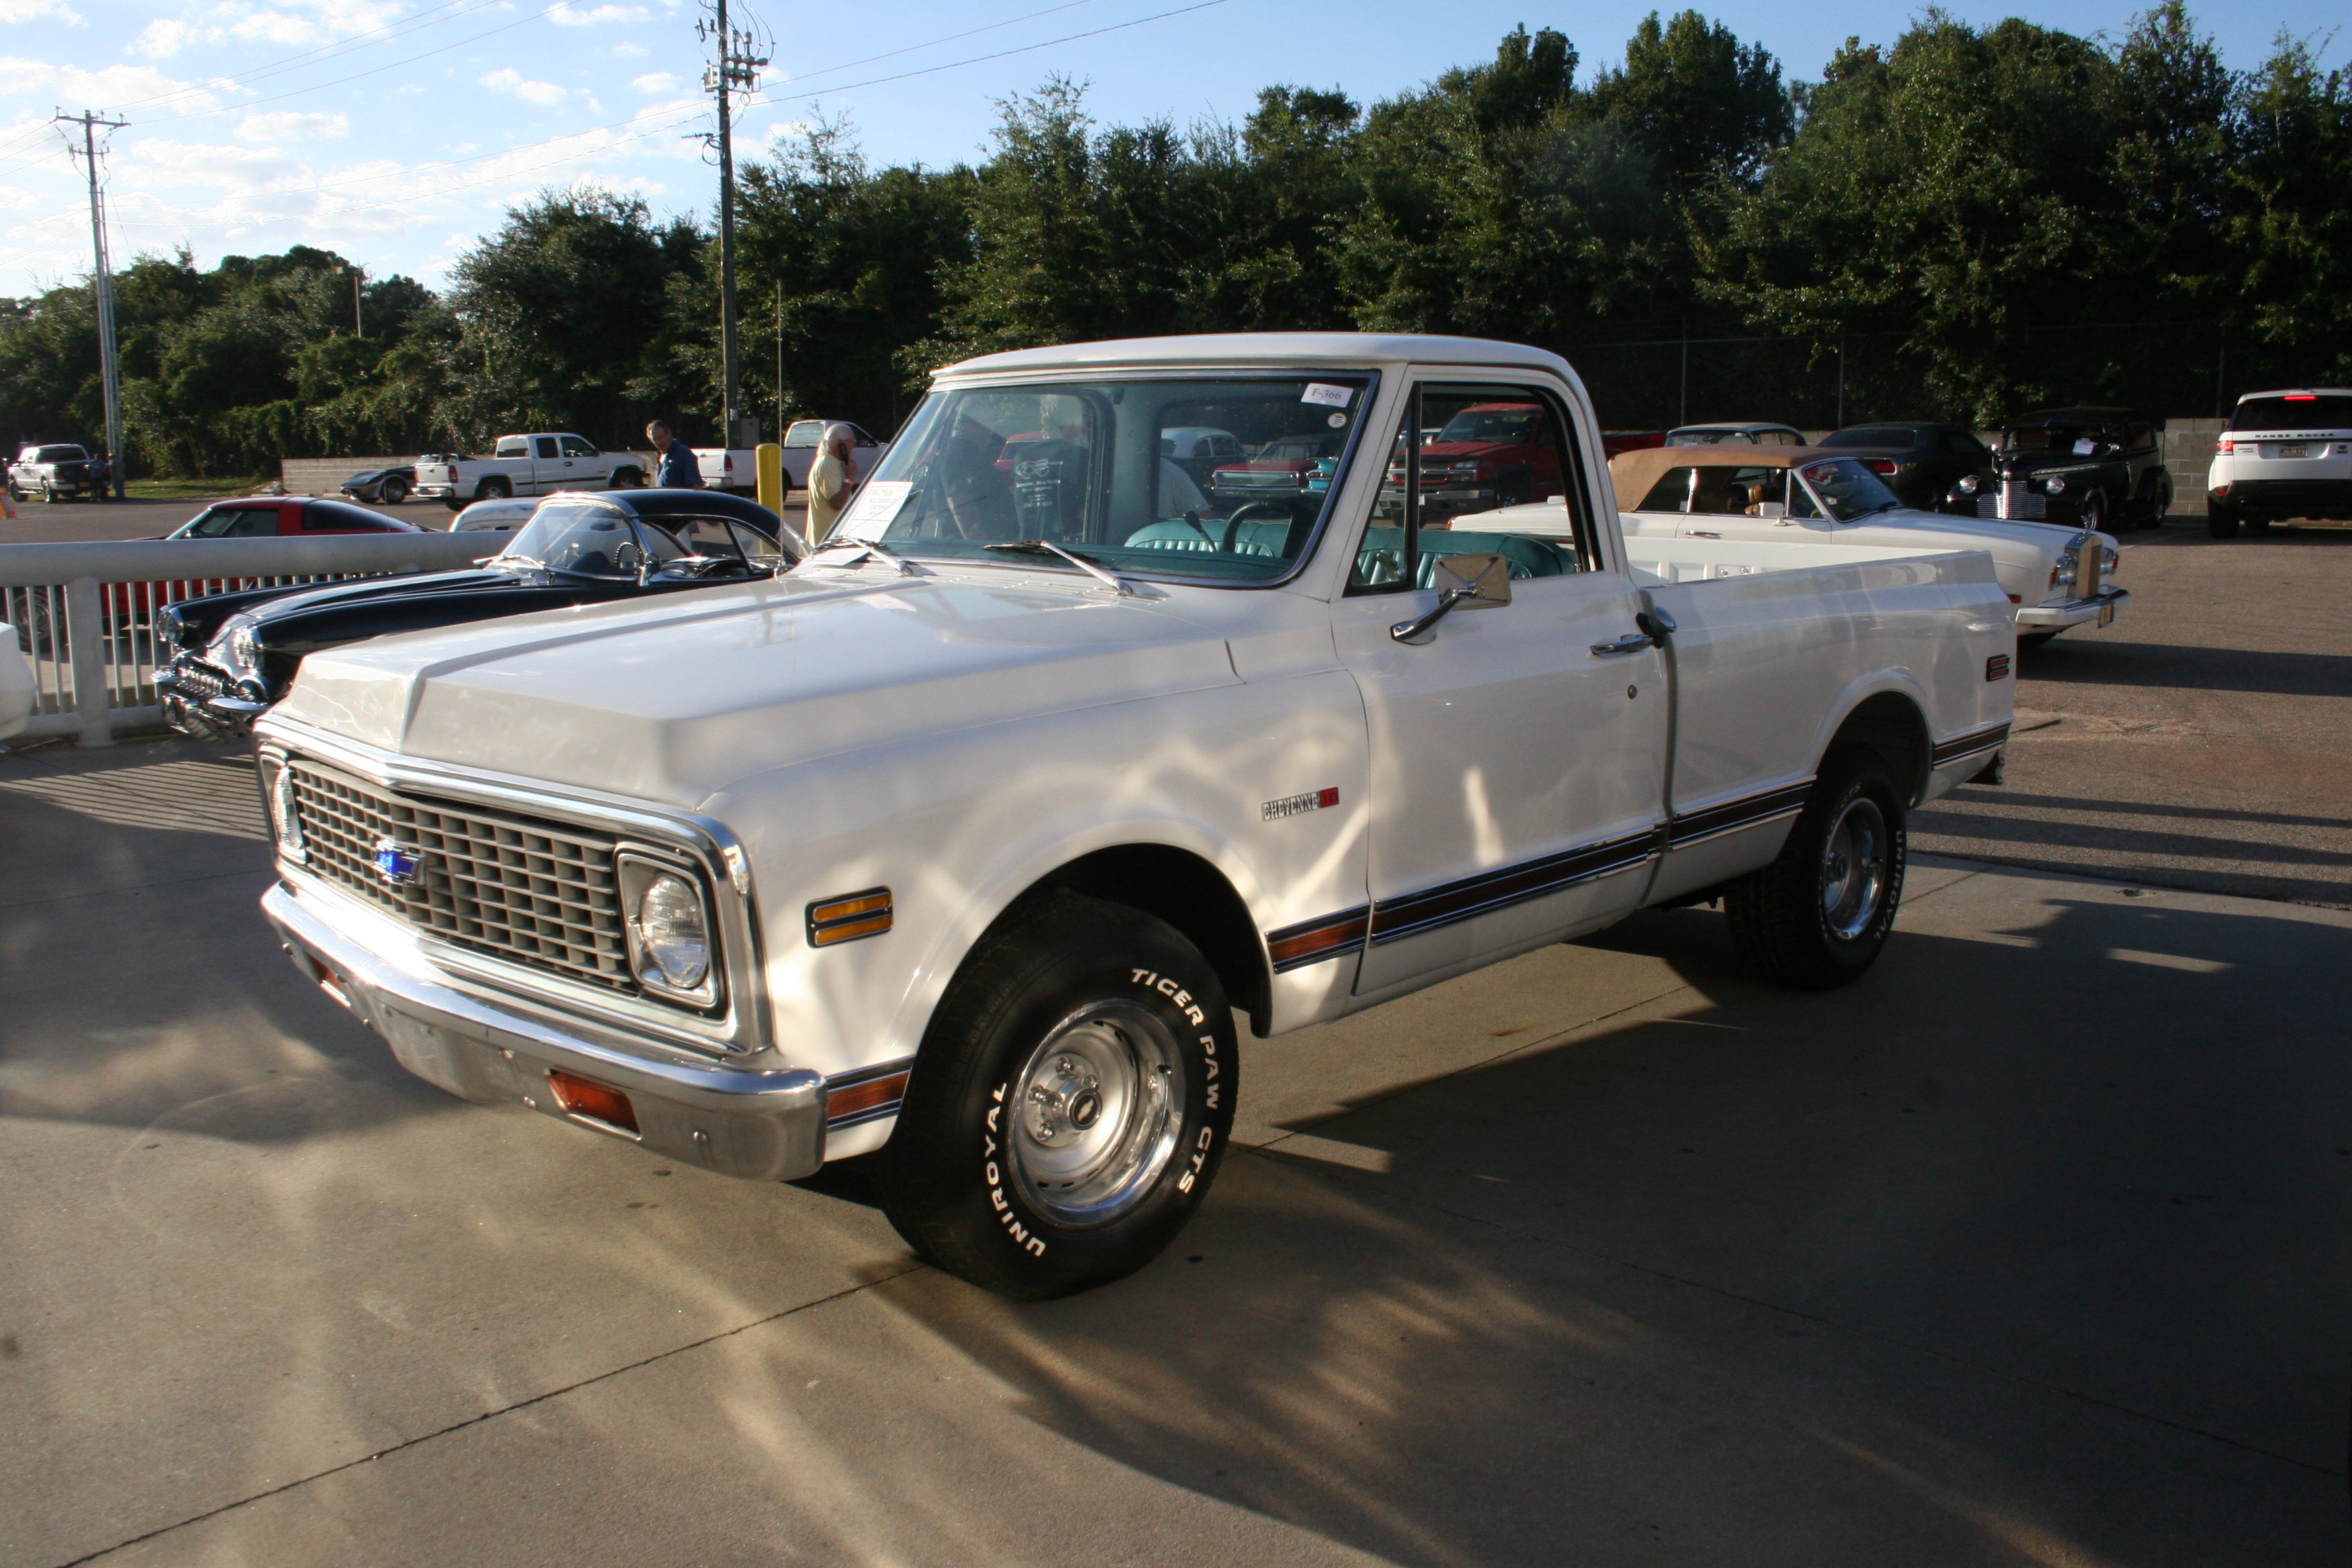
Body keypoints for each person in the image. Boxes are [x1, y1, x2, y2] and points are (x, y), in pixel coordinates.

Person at [804, 423, 859, 544]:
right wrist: (849, 479)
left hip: (834, 538)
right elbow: (837, 502)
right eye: (852, 442)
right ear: (841, 444)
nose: (854, 447)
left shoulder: (835, 464)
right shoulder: (827, 465)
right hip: (827, 540)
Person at [645, 421, 701, 489]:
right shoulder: (660, 457)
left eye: (662, 437)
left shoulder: (683, 453)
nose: (660, 442)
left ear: (669, 432)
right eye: (655, 440)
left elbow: (696, 485)